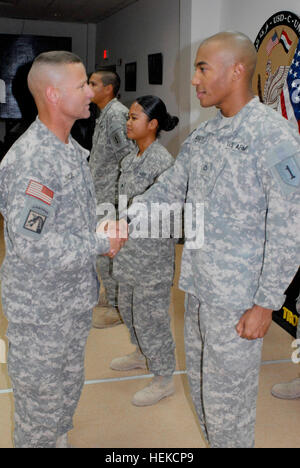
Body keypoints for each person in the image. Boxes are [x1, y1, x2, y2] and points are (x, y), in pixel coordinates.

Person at [124, 32, 300, 447]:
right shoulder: (205, 136)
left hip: (238, 302)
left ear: (237, 70)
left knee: (229, 412)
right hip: (200, 291)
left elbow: (290, 225)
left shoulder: (272, 136)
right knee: (206, 400)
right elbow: (169, 189)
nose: (194, 78)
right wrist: (122, 223)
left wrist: (266, 303)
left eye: (203, 67)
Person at [0, 51, 126, 448]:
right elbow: (31, 246)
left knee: (64, 398)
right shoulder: (34, 160)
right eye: (81, 86)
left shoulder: (70, 150)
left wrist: (97, 225)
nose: (91, 92)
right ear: (53, 95)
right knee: (39, 414)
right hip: (40, 314)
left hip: (69, 303)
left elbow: (63, 220)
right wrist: (101, 240)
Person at [111, 95, 179, 406]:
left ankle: (164, 376)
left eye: (134, 117)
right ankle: (141, 352)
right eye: (129, 116)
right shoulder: (130, 159)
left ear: (152, 124)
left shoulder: (161, 161)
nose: (128, 122)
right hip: (128, 252)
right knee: (127, 306)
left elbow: (169, 212)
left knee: (151, 317)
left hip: (151, 257)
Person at [89, 69, 135, 329]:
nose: (88, 87)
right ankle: (112, 296)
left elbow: (126, 156)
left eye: (93, 83)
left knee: (107, 250)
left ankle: (119, 308)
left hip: (111, 196)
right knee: (104, 251)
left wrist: (122, 201)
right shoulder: (105, 114)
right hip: (102, 192)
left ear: (108, 89)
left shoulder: (116, 115)